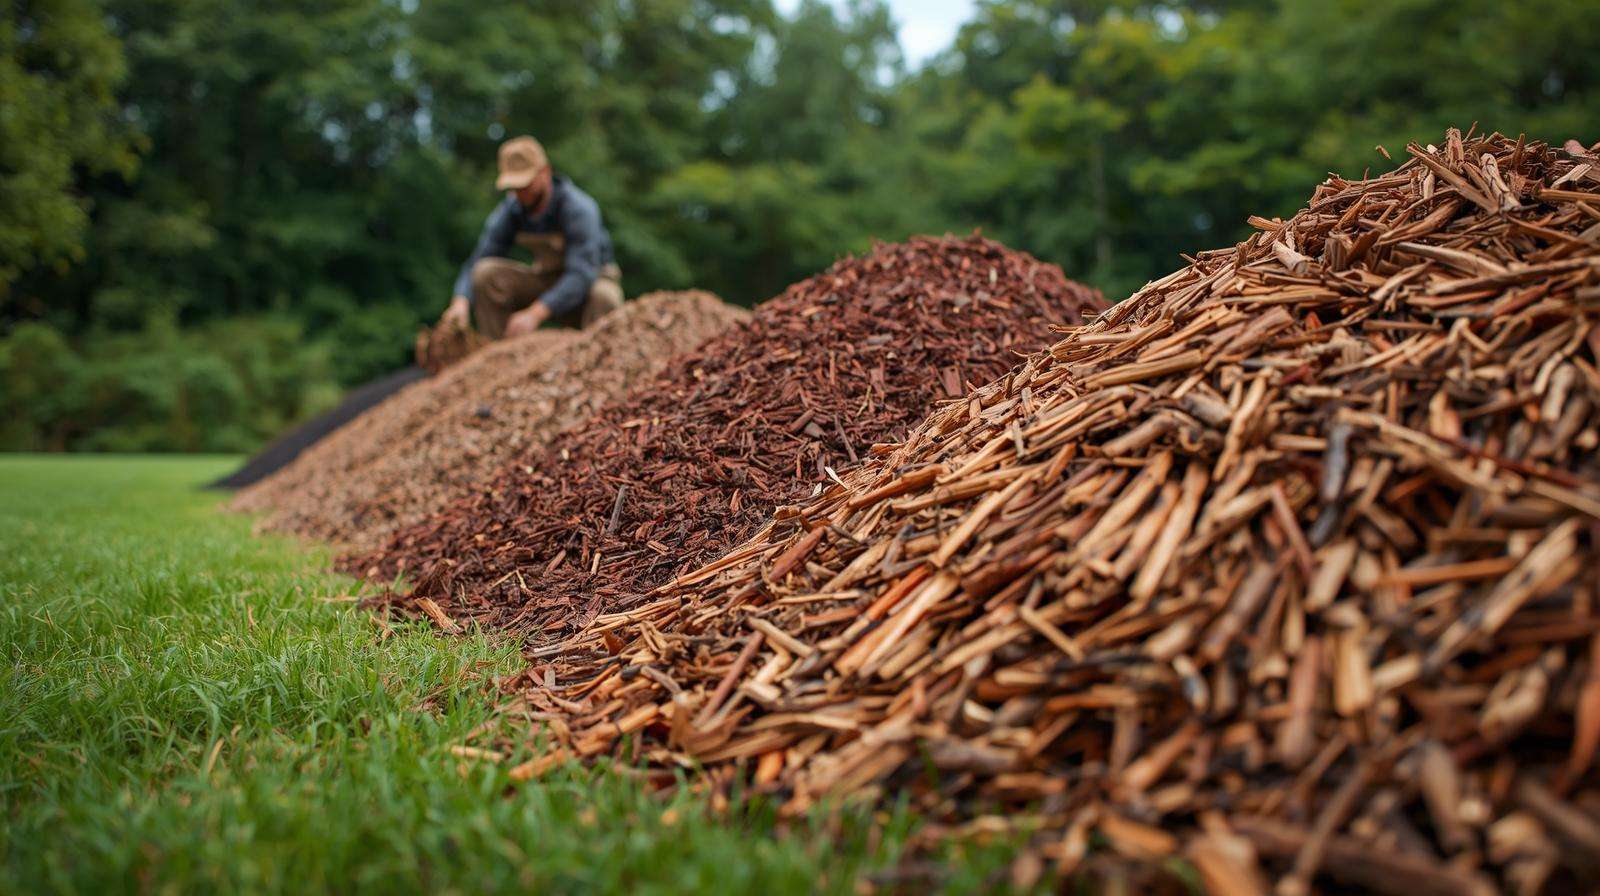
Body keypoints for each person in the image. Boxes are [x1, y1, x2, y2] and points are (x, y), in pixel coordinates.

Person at [438, 136, 623, 339]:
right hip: (546, 279)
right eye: (514, 187)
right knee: (485, 274)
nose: (520, 194)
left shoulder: (578, 209)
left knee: (604, 297)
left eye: (525, 184)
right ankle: (497, 354)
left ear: (545, 173)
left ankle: (595, 359)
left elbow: (581, 274)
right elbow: (478, 260)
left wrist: (535, 314)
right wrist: (461, 302)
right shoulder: (511, 210)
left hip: (589, 284)